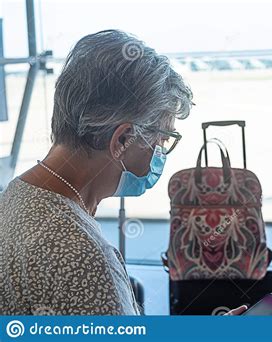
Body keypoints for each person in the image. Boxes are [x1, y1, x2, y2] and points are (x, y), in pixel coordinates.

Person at [0, 30, 246, 316]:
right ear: (122, 140)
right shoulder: (83, 258)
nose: (160, 155)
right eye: (162, 141)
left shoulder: (13, 198)